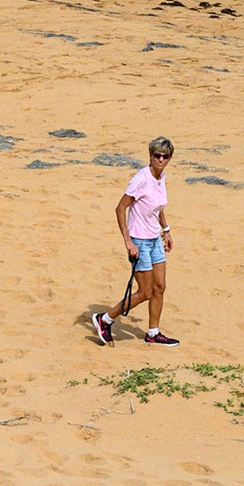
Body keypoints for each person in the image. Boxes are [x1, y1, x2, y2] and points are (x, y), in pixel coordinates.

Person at [95, 138, 179, 346]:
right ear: (150, 155)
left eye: (165, 156)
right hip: (139, 241)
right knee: (145, 292)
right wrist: (128, 242)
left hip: (154, 239)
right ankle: (105, 319)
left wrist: (166, 230)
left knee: (160, 287)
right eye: (157, 155)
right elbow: (120, 209)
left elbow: (157, 207)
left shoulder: (161, 177)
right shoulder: (141, 179)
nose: (161, 160)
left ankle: (153, 333)